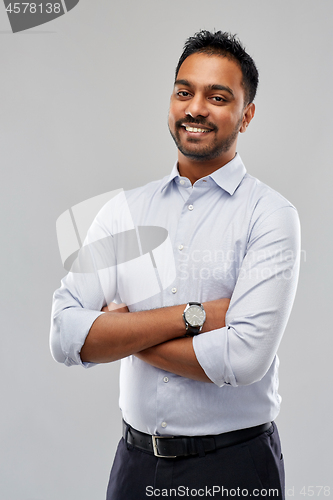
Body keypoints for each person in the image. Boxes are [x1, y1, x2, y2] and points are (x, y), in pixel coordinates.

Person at [50, 30, 300, 499]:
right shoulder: (123, 212)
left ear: (246, 116)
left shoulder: (271, 215)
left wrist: (116, 335)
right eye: (184, 91)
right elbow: (64, 336)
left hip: (236, 466)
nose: (196, 107)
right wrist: (195, 316)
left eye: (217, 96)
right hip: (135, 465)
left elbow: (244, 359)